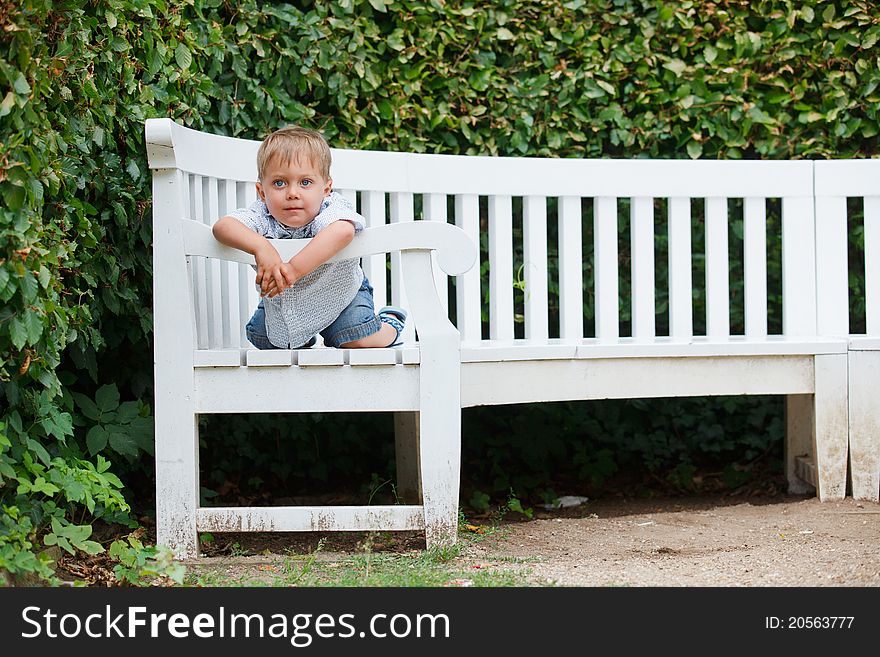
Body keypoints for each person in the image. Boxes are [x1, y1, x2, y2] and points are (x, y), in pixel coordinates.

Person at [212, 126, 406, 350]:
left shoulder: (330, 208)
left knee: (356, 338)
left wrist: (294, 269)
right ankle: (302, 336)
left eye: (305, 182)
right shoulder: (262, 215)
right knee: (262, 337)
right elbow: (222, 227)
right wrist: (261, 247)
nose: (292, 192)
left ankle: (390, 323)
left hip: (340, 296)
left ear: (326, 189)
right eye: (279, 183)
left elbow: (343, 231)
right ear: (262, 192)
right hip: (286, 301)